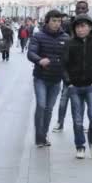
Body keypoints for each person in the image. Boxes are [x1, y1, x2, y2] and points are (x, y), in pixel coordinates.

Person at [27, 10, 69, 147]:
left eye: (59, 21)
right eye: (54, 21)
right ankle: (39, 137)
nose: (56, 24)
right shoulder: (38, 36)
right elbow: (31, 53)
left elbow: (69, 59)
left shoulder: (66, 38)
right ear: (47, 21)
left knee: (49, 109)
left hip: (56, 79)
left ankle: (43, 135)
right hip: (41, 78)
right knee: (41, 105)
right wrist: (39, 60)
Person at [54, 0, 92, 133]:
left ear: (87, 9)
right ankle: (60, 122)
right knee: (64, 99)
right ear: (76, 9)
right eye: (79, 8)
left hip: (87, 70)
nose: (81, 10)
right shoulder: (68, 24)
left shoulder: (91, 24)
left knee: (89, 102)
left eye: (83, 8)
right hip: (71, 68)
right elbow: (60, 36)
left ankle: (89, 125)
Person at [62, 14, 92, 159]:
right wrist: (68, 83)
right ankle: (80, 146)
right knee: (78, 120)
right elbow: (64, 65)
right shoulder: (69, 43)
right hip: (75, 87)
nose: (80, 29)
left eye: (83, 26)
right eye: (78, 26)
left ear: (90, 27)